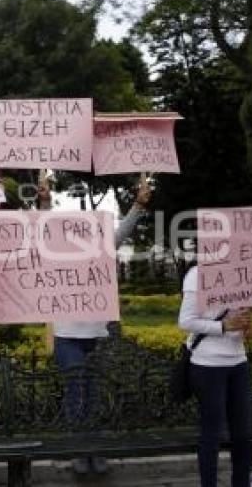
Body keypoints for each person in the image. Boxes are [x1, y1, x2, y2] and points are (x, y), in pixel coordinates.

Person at [38, 177, 151, 475]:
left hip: (96, 336)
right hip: (67, 337)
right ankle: (80, 451)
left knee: (95, 394)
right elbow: (44, 225)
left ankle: (95, 451)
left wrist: (139, 203)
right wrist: (46, 201)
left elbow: (124, 229)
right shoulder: (55, 249)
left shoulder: (103, 245)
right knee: (77, 392)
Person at [179, 264, 252, 487]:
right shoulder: (197, 275)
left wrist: (249, 327)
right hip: (207, 365)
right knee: (212, 435)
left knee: (243, 435)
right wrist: (223, 326)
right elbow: (185, 321)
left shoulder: (245, 274)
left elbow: (247, 327)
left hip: (238, 363)